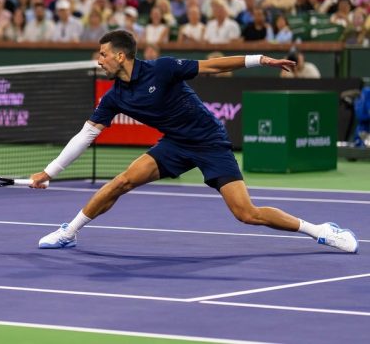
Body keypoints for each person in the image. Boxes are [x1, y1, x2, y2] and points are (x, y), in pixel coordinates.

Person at [30, 30, 357, 253]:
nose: (99, 60)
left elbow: (212, 66)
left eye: (103, 54)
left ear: (120, 55)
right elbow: (86, 135)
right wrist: (50, 172)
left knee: (246, 213)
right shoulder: (114, 97)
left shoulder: (162, 69)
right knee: (122, 182)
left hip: (209, 141)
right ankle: (69, 232)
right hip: (175, 144)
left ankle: (321, 231)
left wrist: (260, 59)